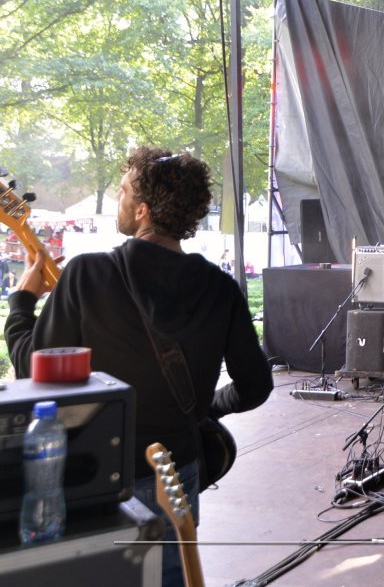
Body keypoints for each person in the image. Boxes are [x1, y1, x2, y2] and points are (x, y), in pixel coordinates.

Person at [5, 147, 273, 587]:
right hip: (176, 474)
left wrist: (21, 304)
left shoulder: (87, 274)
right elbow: (256, 386)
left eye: (123, 191)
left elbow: (35, 373)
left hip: (98, 478)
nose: (119, 199)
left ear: (143, 209)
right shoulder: (221, 288)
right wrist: (206, 409)